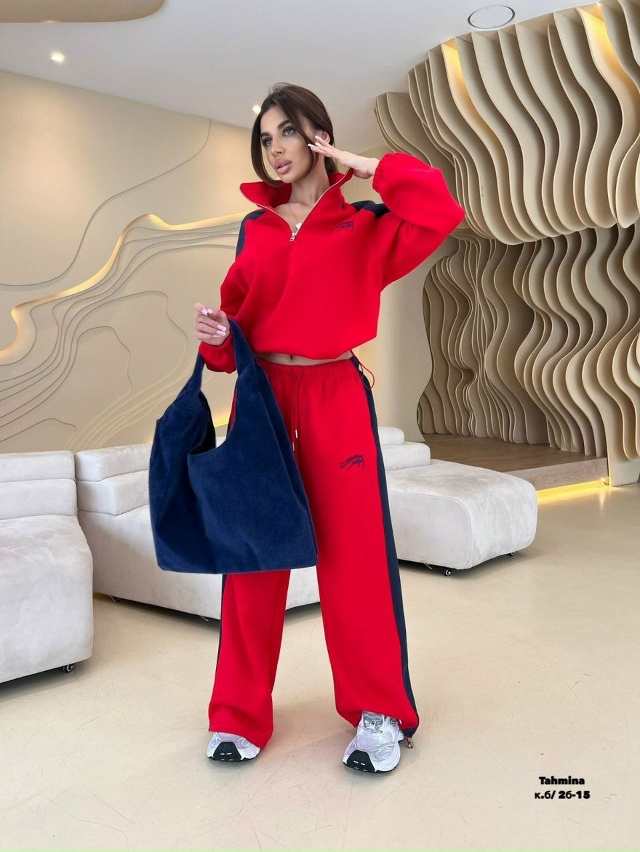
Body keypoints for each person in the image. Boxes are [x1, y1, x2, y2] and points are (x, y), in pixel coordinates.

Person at [193, 83, 465, 773]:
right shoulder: (255, 227)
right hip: (262, 400)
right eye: (265, 138)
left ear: (318, 135)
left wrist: (367, 165)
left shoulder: (366, 224)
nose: (274, 149)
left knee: (356, 559)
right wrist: (217, 337)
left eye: (287, 132)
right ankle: (237, 715)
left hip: (335, 395)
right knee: (253, 560)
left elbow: (440, 209)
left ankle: (379, 714)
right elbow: (236, 328)